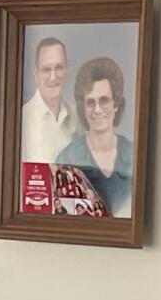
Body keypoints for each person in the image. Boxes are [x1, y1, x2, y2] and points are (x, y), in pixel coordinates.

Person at [56, 56, 136, 217]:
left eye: (104, 100)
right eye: (90, 102)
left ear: (116, 105)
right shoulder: (67, 159)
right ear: (83, 108)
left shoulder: (135, 155)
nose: (97, 110)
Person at [19, 35, 74, 172]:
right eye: (46, 69)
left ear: (67, 69)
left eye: (59, 67)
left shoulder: (76, 117)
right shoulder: (22, 119)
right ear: (36, 74)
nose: (53, 77)